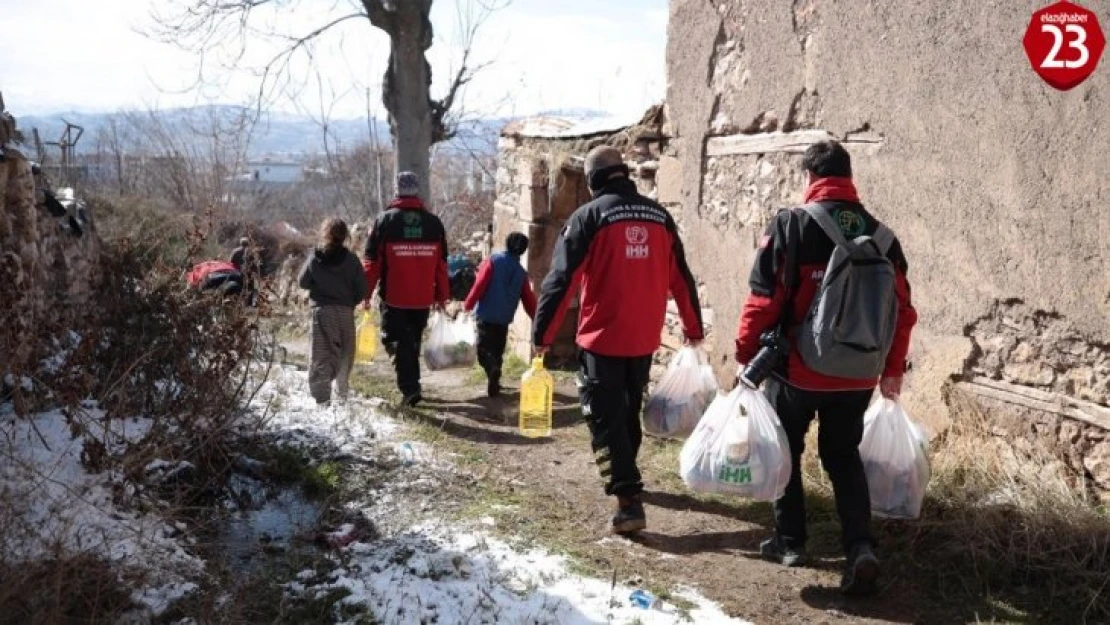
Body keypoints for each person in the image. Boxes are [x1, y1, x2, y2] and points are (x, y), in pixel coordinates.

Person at [734, 140, 918, 596]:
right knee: (843, 456)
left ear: (810, 178)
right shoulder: (883, 236)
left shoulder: (791, 225)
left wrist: (744, 355)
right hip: (857, 374)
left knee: (786, 449)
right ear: (849, 177)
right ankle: (860, 547)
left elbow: (763, 300)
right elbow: (903, 310)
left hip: (798, 370)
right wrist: (891, 368)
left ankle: (790, 541)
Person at [532, 146, 705, 535]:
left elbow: (561, 281)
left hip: (602, 338)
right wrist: (694, 330)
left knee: (604, 417)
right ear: (624, 173)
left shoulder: (588, 217)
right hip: (644, 338)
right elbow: (682, 278)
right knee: (626, 412)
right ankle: (630, 477)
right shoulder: (660, 216)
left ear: (592, 181)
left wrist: (542, 335)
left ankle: (629, 501)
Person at [362, 172, 450, 407]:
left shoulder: (385, 221)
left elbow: (372, 263)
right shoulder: (434, 223)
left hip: (394, 297)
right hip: (423, 297)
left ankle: (410, 388)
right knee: (411, 341)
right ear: (417, 191)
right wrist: (442, 296)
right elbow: (442, 265)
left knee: (394, 339)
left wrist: (365, 294)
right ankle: (412, 382)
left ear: (396, 190)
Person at [298, 218, 369, 407]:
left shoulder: (315, 256)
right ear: (346, 235)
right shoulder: (352, 260)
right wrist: (350, 301)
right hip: (345, 312)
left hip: (321, 311)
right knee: (345, 352)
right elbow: (362, 289)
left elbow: (302, 282)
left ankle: (322, 400)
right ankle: (342, 394)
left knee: (322, 354)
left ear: (324, 234)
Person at [463, 232, 537, 397]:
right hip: (504, 319)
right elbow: (528, 299)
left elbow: (479, 285)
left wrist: (468, 304)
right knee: (497, 350)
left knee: (483, 351)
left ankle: (491, 368)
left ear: (506, 243)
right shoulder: (521, 273)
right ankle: (495, 383)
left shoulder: (493, 261)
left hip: (486, 315)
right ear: (523, 251)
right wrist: (537, 317)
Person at [230, 237, 259, 306]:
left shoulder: (235, 251)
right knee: (250, 287)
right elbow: (254, 264)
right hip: (248, 273)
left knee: (239, 287)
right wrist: (255, 272)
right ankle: (249, 303)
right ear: (248, 244)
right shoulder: (251, 252)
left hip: (238, 272)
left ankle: (238, 302)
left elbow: (231, 262)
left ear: (241, 243)